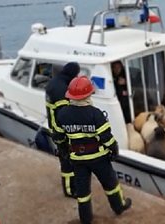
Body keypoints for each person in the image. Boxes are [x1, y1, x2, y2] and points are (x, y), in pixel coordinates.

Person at [54, 76, 132, 224]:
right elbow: (106, 137)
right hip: (99, 158)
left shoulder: (62, 114)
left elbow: (58, 137)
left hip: (77, 160)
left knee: (82, 192)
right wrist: (114, 149)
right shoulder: (96, 114)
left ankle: (86, 218)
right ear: (88, 95)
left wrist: (63, 149)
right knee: (111, 185)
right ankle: (119, 207)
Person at [45, 62, 80, 198]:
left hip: (55, 127)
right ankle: (69, 190)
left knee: (67, 159)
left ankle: (71, 185)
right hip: (61, 132)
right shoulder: (61, 90)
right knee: (66, 162)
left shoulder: (55, 81)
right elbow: (62, 116)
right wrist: (64, 134)